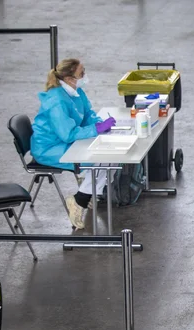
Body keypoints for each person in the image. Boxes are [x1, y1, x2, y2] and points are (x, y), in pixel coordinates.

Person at [30, 58, 117, 229]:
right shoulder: (57, 101)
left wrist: (100, 123)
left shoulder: (75, 91)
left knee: (111, 155)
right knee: (100, 158)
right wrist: (95, 129)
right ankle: (80, 200)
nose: (85, 76)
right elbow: (67, 134)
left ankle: (87, 192)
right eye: (81, 73)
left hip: (63, 142)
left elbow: (87, 114)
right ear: (69, 78)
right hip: (49, 148)